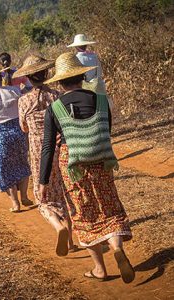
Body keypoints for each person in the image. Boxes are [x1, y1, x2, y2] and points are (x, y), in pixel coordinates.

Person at [39, 52, 134, 283]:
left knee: (83, 213)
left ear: (60, 82)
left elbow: (48, 148)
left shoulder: (55, 108)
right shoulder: (100, 100)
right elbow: (106, 132)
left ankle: (100, 269)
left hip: (73, 167)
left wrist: (43, 182)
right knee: (109, 206)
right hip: (101, 162)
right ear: (82, 76)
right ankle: (116, 246)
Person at [15, 55, 78, 255]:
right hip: (59, 146)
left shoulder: (24, 100)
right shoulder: (57, 96)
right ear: (47, 73)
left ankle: (57, 226)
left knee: (42, 195)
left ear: (28, 78)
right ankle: (70, 242)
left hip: (37, 149)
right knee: (63, 192)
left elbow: (23, 127)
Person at [0, 63, 32, 212]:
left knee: (4, 169)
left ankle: (15, 203)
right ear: (1, 78)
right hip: (18, 131)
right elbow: (23, 110)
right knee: (22, 163)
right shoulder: (14, 90)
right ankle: (25, 196)